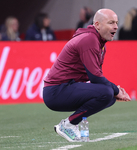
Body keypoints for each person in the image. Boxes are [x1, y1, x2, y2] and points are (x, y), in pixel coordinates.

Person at [43, 8, 131, 142]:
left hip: (65, 88)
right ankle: (68, 124)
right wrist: (116, 89)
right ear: (97, 25)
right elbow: (95, 77)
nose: (116, 27)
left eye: (116, 23)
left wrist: (114, 91)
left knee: (109, 96)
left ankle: (71, 124)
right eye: (111, 23)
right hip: (56, 91)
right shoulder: (89, 39)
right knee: (107, 93)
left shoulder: (100, 43)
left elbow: (95, 78)